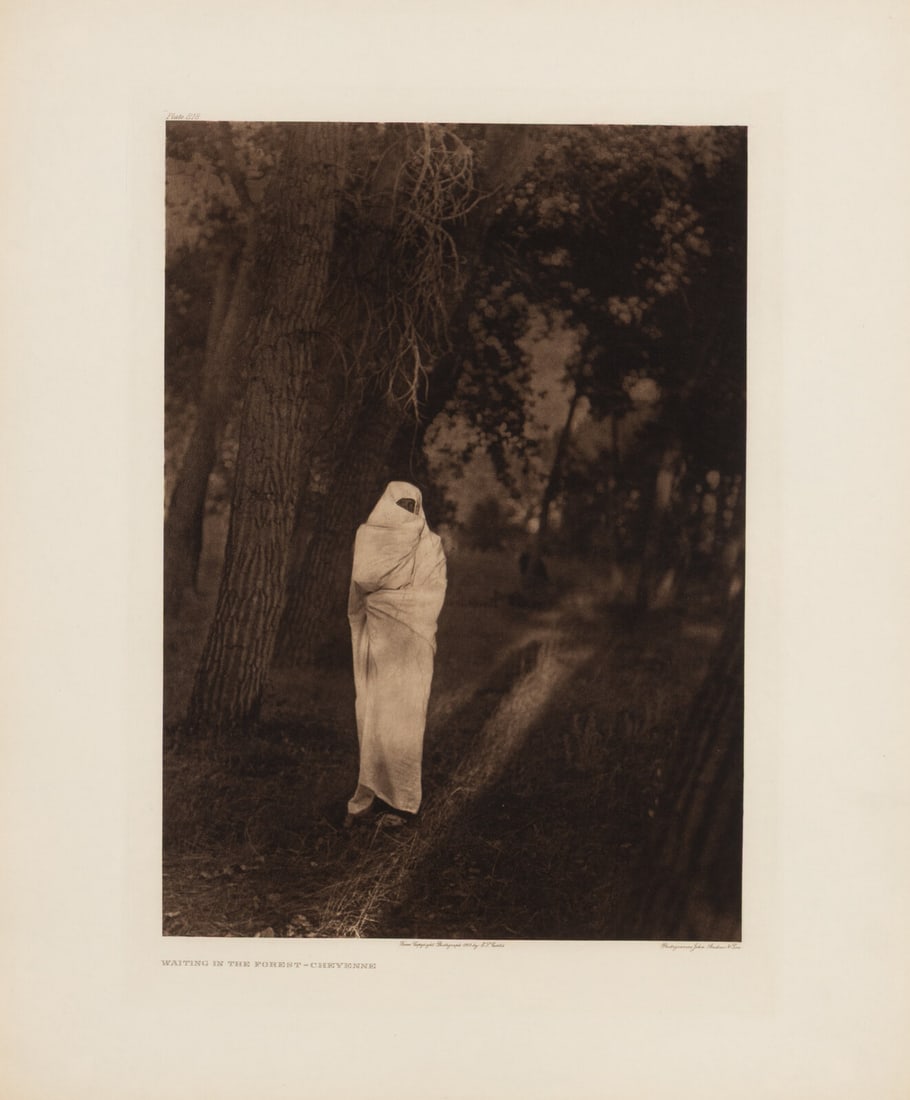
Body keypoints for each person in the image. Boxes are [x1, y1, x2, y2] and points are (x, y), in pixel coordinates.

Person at [344, 481, 447, 826]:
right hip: (378, 643)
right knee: (373, 715)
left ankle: (402, 803)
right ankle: (370, 794)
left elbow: (430, 598)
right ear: (385, 504)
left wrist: (390, 599)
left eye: (411, 505)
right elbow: (363, 575)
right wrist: (392, 595)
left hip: (413, 646)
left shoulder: (431, 546)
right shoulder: (369, 536)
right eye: (399, 504)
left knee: (405, 719)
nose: (406, 512)